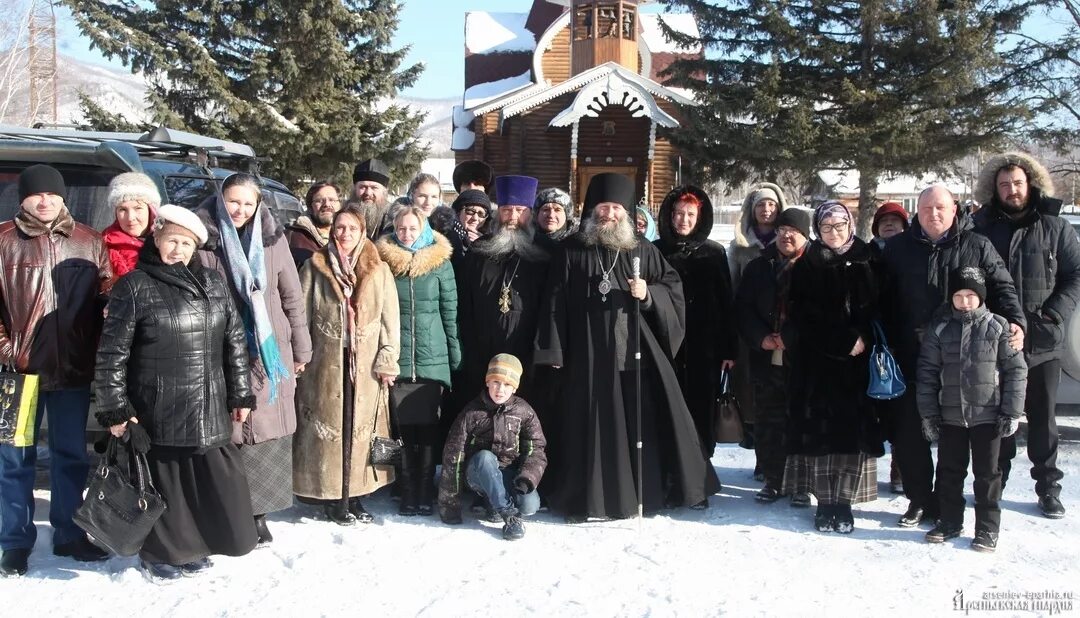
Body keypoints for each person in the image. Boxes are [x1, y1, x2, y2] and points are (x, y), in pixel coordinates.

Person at [535, 173, 720, 520]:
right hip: (585, 354)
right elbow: (554, 302)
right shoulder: (571, 250)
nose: (609, 214)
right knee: (587, 427)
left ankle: (645, 491)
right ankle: (589, 498)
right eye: (603, 207)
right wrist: (553, 350)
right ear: (592, 209)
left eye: (616, 208)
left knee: (641, 423)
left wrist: (648, 294)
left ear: (627, 211)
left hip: (633, 353)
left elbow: (672, 287)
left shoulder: (642, 249)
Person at [94, 204, 257, 579]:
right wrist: (114, 410)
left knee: (207, 478)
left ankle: (195, 543)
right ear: (157, 239)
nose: (179, 250)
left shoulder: (213, 283)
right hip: (157, 403)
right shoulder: (134, 286)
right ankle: (162, 552)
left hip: (208, 400)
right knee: (165, 481)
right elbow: (111, 355)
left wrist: (240, 394)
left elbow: (234, 341)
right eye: (172, 241)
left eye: (187, 243)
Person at [880, 184, 1025, 528]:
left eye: (942, 208)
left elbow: (1003, 287)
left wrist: (1016, 322)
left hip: (968, 360)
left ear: (954, 210)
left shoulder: (977, 245)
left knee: (958, 443)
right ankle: (920, 500)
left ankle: (958, 505)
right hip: (911, 357)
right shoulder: (897, 249)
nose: (934, 215)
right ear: (917, 211)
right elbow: (880, 298)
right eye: (928, 208)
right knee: (911, 434)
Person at [0, 165, 113, 577]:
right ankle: (14, 540)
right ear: (23, 198)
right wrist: (9, 351)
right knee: (15, 459)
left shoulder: (89, 240)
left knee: (70, 456)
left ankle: (67, 532)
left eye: (52, 194)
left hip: (73, 372)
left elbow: (106, 293)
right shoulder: (3, 241)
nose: (44, 201)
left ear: (63, 198)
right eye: (36, 195)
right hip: (19, 375)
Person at [194, 173, 312, 545]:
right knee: (226, 433)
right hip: (219, 349)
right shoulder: (204, 240)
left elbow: (292, 297)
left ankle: (259, 513)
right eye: (234, 201)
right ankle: (229, 510)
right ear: (220, 200)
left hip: (268, 351)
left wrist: (301, 349)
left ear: (259, 204)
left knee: (267, 431)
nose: (240, 210)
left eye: (248, 203)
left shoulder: (274, 240)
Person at [972, 152, 1080, 520]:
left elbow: (1075, 275)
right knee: (998, 416)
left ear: (1030, 183)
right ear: (994, 189)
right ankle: (994, 483)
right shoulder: (981, 226)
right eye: (1004, 184)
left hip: (1043, 340)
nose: (1011, 190)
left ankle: (1048, 487)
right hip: (995, 341)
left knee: (1043, 419)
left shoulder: (1055, 226)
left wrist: (1052, 315)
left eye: (1017, 183)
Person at [782, 201, 885, 534]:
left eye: (840, 226)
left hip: (858, 367)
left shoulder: (870, 258)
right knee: (821, 439)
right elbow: (800, 315)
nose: (834, 233)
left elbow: (884, 308)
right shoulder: (807, 264)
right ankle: (825, 503)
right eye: (826, 227)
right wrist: (839, 341)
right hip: (818, 366)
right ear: (817, 231)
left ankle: (845, 503)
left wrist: (864, 337)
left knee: (850, 438)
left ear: (851, 225)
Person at [294, 205, 400, 525]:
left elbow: (389, 320)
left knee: (360, 429)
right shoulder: (315, 267)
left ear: (362, 231)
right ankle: (332, 496)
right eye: (340, 227)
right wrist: (301, 357)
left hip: (364, 367)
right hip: (325, 365)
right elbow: (300, 316)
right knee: (329, 431)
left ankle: (355, 496)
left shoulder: (378, 270)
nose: (345, 234)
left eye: (352, 228)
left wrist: (387, 358)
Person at [917, 267, 1027, 553]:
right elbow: (927, 373)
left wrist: (1011, 412)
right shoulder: (939, 329)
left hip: (988, 417)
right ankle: (950, 521)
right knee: (950, 472)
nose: (965, 302)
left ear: (981, 297)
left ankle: (987, 528)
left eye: (970, 295)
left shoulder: (1000, 327)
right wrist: (929, 414)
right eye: (959, 295)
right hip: (951, 415)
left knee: (988, 475)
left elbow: (1016, 371)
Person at [375, 206, 461, 516]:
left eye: (413, 228)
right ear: (394, 230)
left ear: (423, 229)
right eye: (401, 229)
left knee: (427, 431)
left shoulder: (440, 264)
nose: (407, 234)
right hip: (398, 358)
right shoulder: (383, 263)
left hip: (431, 358)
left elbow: (449, 313)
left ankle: (426, 489)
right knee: (403, 430)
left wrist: (454, 356)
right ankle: (407, 489)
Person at [451, 176, 550, 433]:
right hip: (482, 350)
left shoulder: (546, 254)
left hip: (527, 352)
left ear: (530, 214)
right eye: (507, 210)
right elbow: (464, 302)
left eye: (520, 211)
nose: (512, 217)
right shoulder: (480, 251)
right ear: (498, 214)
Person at [654, 186, 737, 463]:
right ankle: (670, 472)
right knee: (667, 409)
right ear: (669, 215)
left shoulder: (714, 253)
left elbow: (726, 303)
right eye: (678, 213)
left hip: (705, 348)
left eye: (690, 214)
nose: (684, 220)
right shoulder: (656, 251)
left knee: (701, 410)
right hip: (666, 346)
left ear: (700, 217)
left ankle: (701, 472)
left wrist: (729, 349)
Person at [735, 208, 812, 505]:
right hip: (766, 356)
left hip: (803, 358)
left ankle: (802, 484)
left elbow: (818, 311)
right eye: (781, 230)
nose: (786, 236)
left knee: (801, 420)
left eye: (793, 231)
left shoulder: (816, 266)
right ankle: (772, 478)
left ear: (805, 235)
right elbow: (743, 308)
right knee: (768, 420)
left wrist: (789, 337)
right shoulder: (759, 266)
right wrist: (760, 338)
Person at [438, 354, 547, 541]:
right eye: (496, 382)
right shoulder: (472, 412)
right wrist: (449, 505)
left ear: (514, 387)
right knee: (485, 458)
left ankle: (494, 502)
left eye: (506, 385)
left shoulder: (524, 412)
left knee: (529, 506)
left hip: (507, 473)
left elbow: (535, 449)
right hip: (477, 474)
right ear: (487, 382)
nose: (500, 389)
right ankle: (508, 516)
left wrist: (527, 478)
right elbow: (453, 456)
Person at [728, 183, 789, 471]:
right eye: (761, 205)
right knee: (753, 392)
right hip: (751, 329)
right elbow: (733, 287)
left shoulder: (791, 239)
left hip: (785, 331)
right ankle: (758, 451)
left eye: (772, 205)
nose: (767, 210)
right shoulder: (741, 246)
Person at [870, 200, 910, 494]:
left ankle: (900, 470)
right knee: (870, 409)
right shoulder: (866, 254)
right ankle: (865, 471)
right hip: (871, 338)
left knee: (902, 412)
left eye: (895, 221)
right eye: (884, 220)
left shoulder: (914, 252)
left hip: (905, 339)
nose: (889, 224)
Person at [102, 172, 160, 277]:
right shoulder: (102, 248)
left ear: (151, 210)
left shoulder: (170, 243)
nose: (130, 218)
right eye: (123, 209)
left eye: (138, 208)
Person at [287, 181, 342, 267]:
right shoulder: (292, 237)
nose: (327, 204)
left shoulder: (350, 236)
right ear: (310, 207)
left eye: (332, 200)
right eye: (319, 200)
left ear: (340, 205)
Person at [352, 158, 392, 239]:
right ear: (355, 188)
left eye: (374, 188)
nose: (368, 193)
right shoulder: (343, 213)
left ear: (384, 191)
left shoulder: (394, 216)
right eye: (362, 187)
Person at [447, 189, 491, 259]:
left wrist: (483, 245)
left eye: (481, 213)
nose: (475, 218)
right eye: (470, 211)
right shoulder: (446, 239)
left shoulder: (492, 242)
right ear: (458, 212)